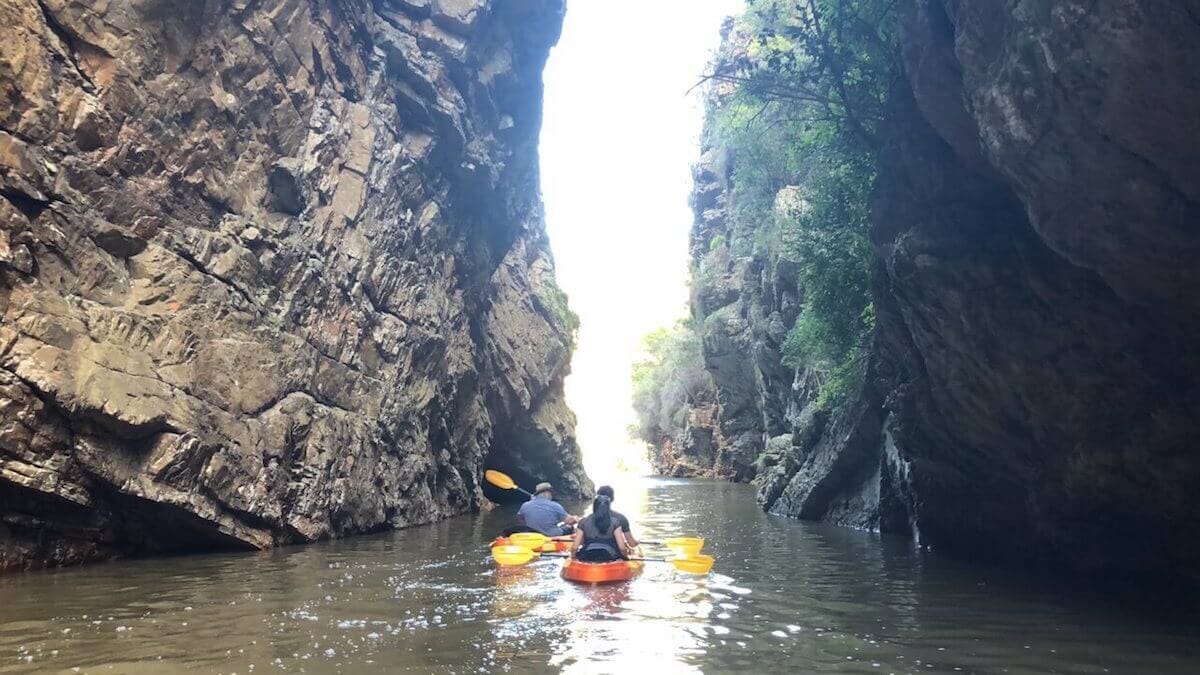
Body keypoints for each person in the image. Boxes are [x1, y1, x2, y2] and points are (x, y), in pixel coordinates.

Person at [572, 495, 631, 562]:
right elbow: (622, 548)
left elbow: (575, 547)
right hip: (609, 556)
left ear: (594, 507)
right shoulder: (615, 523)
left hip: (587, 554)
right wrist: (626, 558)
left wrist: (573, 558)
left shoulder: (583, 522)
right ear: (608, 508)